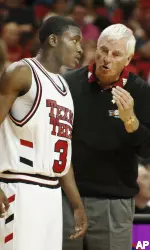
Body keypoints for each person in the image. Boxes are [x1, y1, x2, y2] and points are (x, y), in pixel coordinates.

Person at [0, 16, 88, 250]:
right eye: (74, 40)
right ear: (53, 39)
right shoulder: (21, 72)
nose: (80, 48)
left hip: (52, 193)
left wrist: (76, 203)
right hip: (20, 187)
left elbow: (61, 151)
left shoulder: (64, 87)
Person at [62, 23, 150, 250]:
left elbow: (147, 150)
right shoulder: (68, 84)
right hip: (67, 199)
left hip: (114, 203)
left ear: (128, 60)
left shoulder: (140, 92)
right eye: (103, 50)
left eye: (116, 54)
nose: (106, 58)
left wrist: (130, 120)